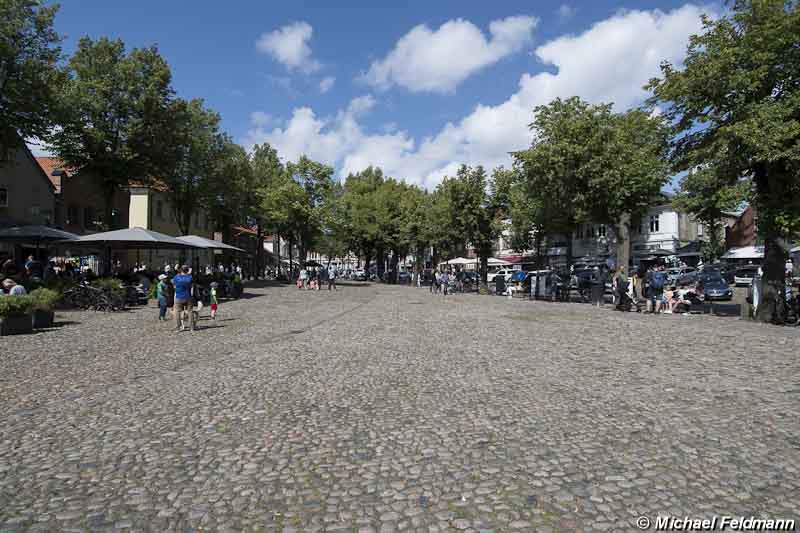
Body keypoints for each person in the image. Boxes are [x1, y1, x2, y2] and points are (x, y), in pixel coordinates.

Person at [172, 265, 194, 331]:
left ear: (181, 270)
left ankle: (178, 327)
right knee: (190, 312)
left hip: (179, 296)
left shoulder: (176, 277)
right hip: (188, 296)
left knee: (177, 312)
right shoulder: (190, 277)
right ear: (187, 270)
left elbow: (174, 286)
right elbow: (192, 285)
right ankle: (191, 327)